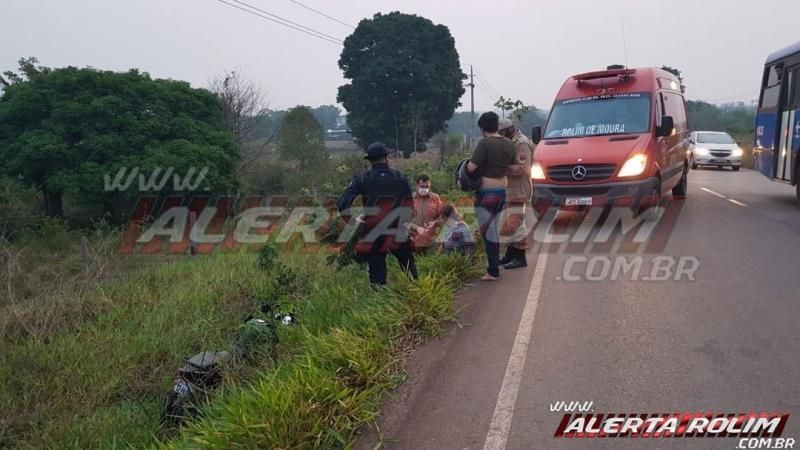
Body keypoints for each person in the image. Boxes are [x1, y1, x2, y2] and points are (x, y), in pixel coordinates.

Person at [337, 142, 418, 286]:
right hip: (397, 229)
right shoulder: (400, 177)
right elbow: (410, 207)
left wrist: (353, 220)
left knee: (377, 276)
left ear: (370, 160)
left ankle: (381, 303)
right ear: (386, 157)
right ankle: (419, 294)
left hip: (373, 231)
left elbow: (343, 203)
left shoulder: (362, 179)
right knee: (409, 269)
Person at [466, 112, 517, 281]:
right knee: (493, 229)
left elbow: (471, 168)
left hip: (486, 194)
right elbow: (513, 167)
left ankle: (493, 271)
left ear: (482, 128)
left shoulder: (485, 144)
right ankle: (494, 265)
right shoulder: (509, 143)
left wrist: (466, 167)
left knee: (489, 232)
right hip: (502, 191)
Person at [498, 117, 534, 270]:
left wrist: (502, 168)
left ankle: (520, 257)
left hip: (519, 189)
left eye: (501, 132)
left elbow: (523, 168)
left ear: (508, 130)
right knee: (510, 220)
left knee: (515, 222)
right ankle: (510, 255)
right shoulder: (510, 142)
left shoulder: (521, 143)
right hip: (510, 189)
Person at [409, 174, 445, 252]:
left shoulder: (435, 198)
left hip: (431, 242)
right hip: (414, 242)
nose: (424, 189)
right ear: (417, 186)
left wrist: (435, 222)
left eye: (427, 187)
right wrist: (416, 227)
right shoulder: (410, 199)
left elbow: (443, 216)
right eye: (422, 186)